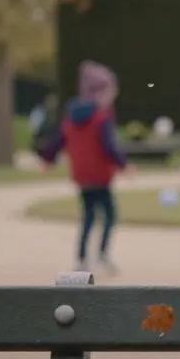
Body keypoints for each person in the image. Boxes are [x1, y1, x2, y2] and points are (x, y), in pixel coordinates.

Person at [38, 60, 131, 273]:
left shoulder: (71, 116)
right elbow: (108, 145)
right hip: (100, 174)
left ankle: (81, 258)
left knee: (88, 216)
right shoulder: (101, 117)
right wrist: (123, 164)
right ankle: (102, 255)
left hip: (81, 174)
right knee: (109, 215)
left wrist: (48, 160)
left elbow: (58, 140)